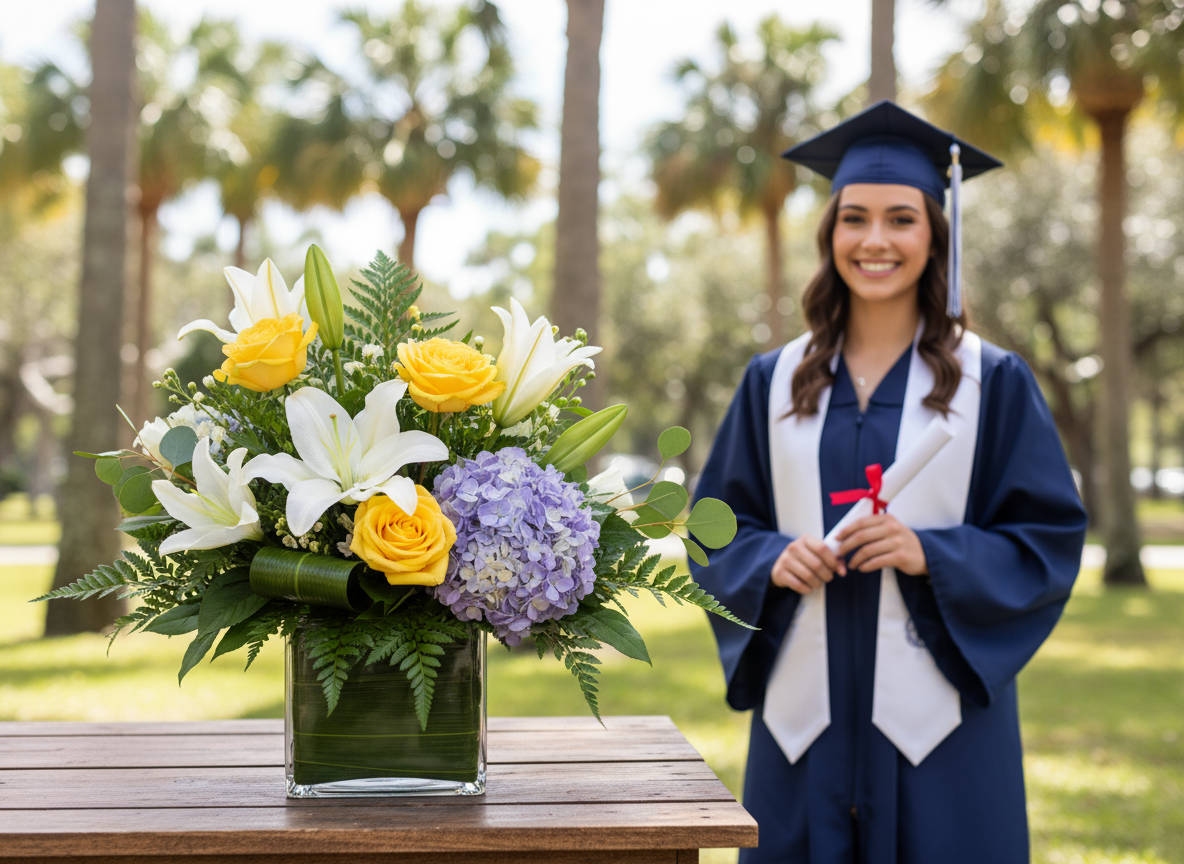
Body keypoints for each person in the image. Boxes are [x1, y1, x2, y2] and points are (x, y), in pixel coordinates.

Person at [690, 101, 1088, 864]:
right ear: (830, 232)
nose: (875, 241)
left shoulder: (992, 380)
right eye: (855, 218)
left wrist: (928, 553)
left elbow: (1046, 541)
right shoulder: (772, 382)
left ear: (937, 233)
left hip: (940, 737)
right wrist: (770, 558)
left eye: (902, 219)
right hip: (804, 728)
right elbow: (716, 527)